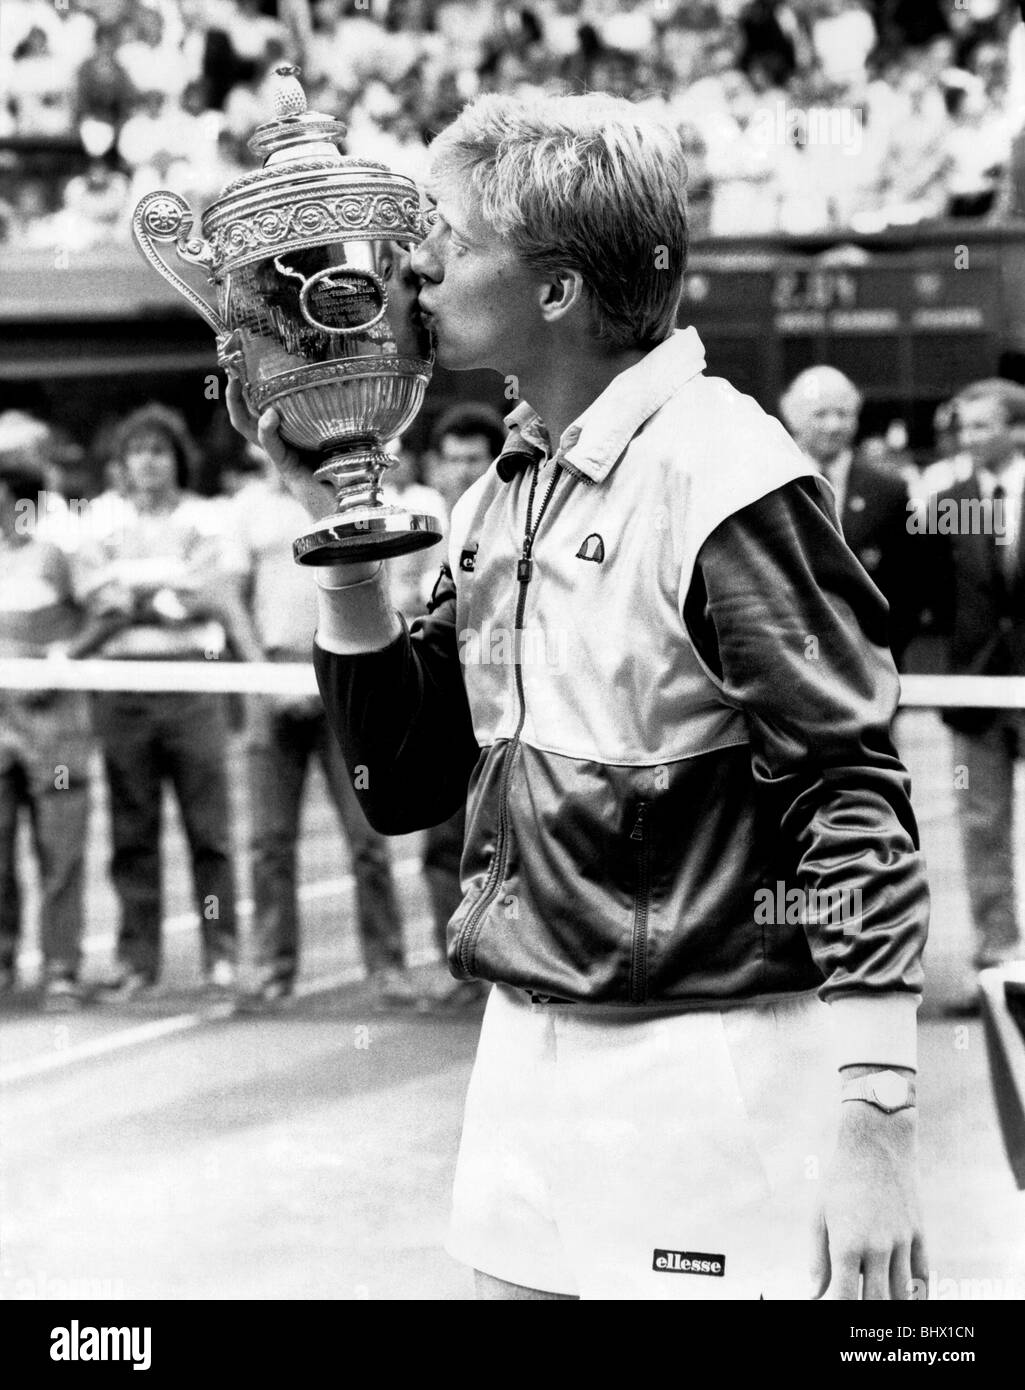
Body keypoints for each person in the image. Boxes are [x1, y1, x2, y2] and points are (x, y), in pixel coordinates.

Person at [228, 91, 929, 1301]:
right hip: (525, 1051)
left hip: (705, 1067)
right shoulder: (507, 485)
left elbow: (851, 786)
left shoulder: (729, 475)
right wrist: (337, 529)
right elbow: (399, 783)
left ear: (555, 292)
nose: (413, 264)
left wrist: (872, 1115)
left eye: (446, 233)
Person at [223, 445, 418, 1009]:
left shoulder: (357, 503)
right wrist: (262, 671)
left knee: (368, 838)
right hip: (273, 675)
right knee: (267, 842)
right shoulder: (248, 507)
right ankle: (270, 970)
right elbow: (231, 599)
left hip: (345, 679)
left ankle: (388, 968)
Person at [75, 403, 242, 999]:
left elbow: (206, 595)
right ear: (121, 463)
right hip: (123, 687)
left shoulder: (206, 517)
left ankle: (221, 953)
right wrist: (161, 594)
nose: (148, 462)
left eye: (159, 451)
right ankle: (136, 958)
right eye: (137, 452)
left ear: (177, 459)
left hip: (193, 682)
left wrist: (141, 595)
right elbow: (101, 599)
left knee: (209, 832)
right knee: (132, 830)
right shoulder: (99, 520)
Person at [921, 380, 1025, 1011]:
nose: (968, 439)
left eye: (982, 426)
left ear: (1016, 428)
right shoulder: (948, 503)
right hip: (976, 691)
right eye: (962, 429)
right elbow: (933, 599)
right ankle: (996, 962)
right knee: (981, 827)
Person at [414, 404, 506, 1010]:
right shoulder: (413, 521)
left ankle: (504, 963)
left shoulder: (508, 518)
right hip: (441, 709)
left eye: (477, 457)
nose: (463, 468)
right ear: (435, 464)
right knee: (441, 845)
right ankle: (459, 969)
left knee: (501, 843)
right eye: (454, 457)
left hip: (500, 714)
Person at [0, 457, 92, 1010]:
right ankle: (3, 964)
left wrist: (60, 660)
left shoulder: (58, 552)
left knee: (59, 851)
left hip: (55, 729)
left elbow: (108, 609)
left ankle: (61, 968)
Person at [780, 365, 917, 667]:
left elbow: (908, 587)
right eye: (821, 414)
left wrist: (887, 652)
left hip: (869, 662)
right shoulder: (769, 485)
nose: (833, 425)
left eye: (843, 414)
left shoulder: (889, 491)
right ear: (793, 418)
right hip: (792, 660)